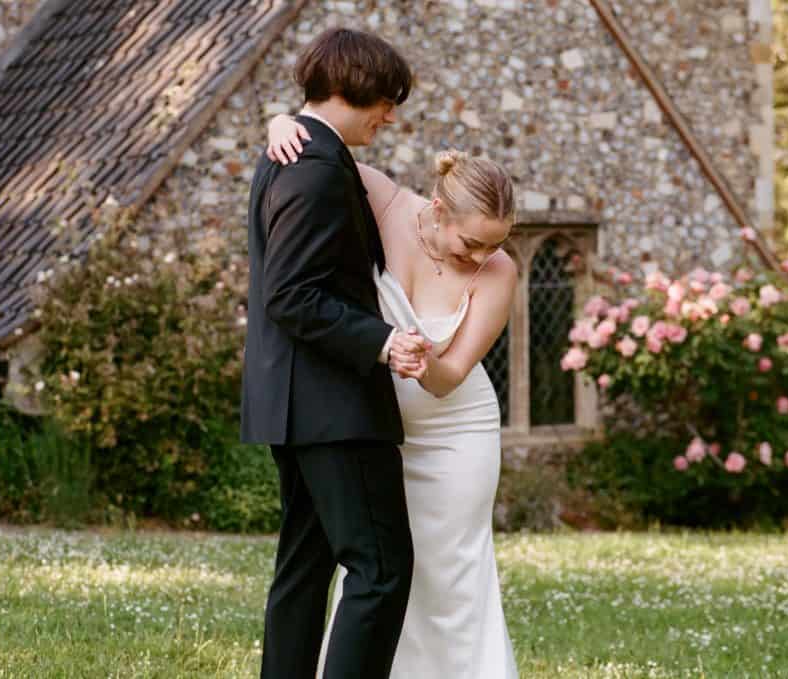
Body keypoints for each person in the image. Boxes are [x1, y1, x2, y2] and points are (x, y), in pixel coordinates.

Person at [266, 111, 521, 678]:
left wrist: (414, 356)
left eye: (494, 245)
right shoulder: (384, 201)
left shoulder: (498, 272)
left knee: (448, 568)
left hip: (456, 432)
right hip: (375, 425)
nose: (480, 257)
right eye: (471, 242)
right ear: (438, 208)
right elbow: (318, 152)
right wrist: (279, 122)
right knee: (378, 566)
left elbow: (452, 373)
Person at [241, 27, 431, 679]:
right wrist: (381, 341)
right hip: (334, 407)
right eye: (385, 99)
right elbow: (291, 295)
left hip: (297, 405)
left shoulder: (296, 149)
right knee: (380, 570)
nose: (390, 115)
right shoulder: (316, 165)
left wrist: (278, 117)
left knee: (304, 568)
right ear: (352, 87)